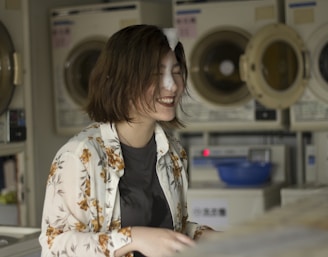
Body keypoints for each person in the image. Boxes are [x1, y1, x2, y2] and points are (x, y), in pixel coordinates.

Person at [39, 24, 214, 257]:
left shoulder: (173, 152)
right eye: (155, 74)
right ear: (124, 80)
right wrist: (133, 238)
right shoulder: (80, 156)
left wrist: (206, 235)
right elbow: (54, 246)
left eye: (175, 71)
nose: (171, 85)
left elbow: (168, 232)